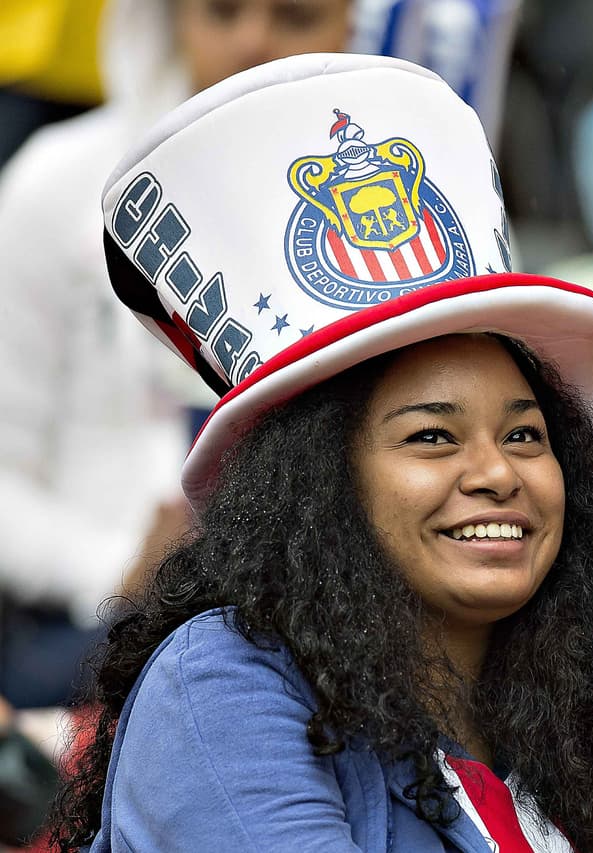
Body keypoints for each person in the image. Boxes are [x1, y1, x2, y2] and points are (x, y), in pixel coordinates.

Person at [45, 52, 593, 852]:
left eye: (524, 435)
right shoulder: (227, 681)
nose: (498, 473)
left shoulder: (556, 707)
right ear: (321, 484)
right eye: (432, 435)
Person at [0, 0, 353, 710]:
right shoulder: (59, 183)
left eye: (295, 15)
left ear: (351, 27)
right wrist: (118, 565)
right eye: (222, 12)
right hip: (89, 639)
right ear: (169, 20)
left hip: (336, 618)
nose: (253, 39)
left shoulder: (392, 202)